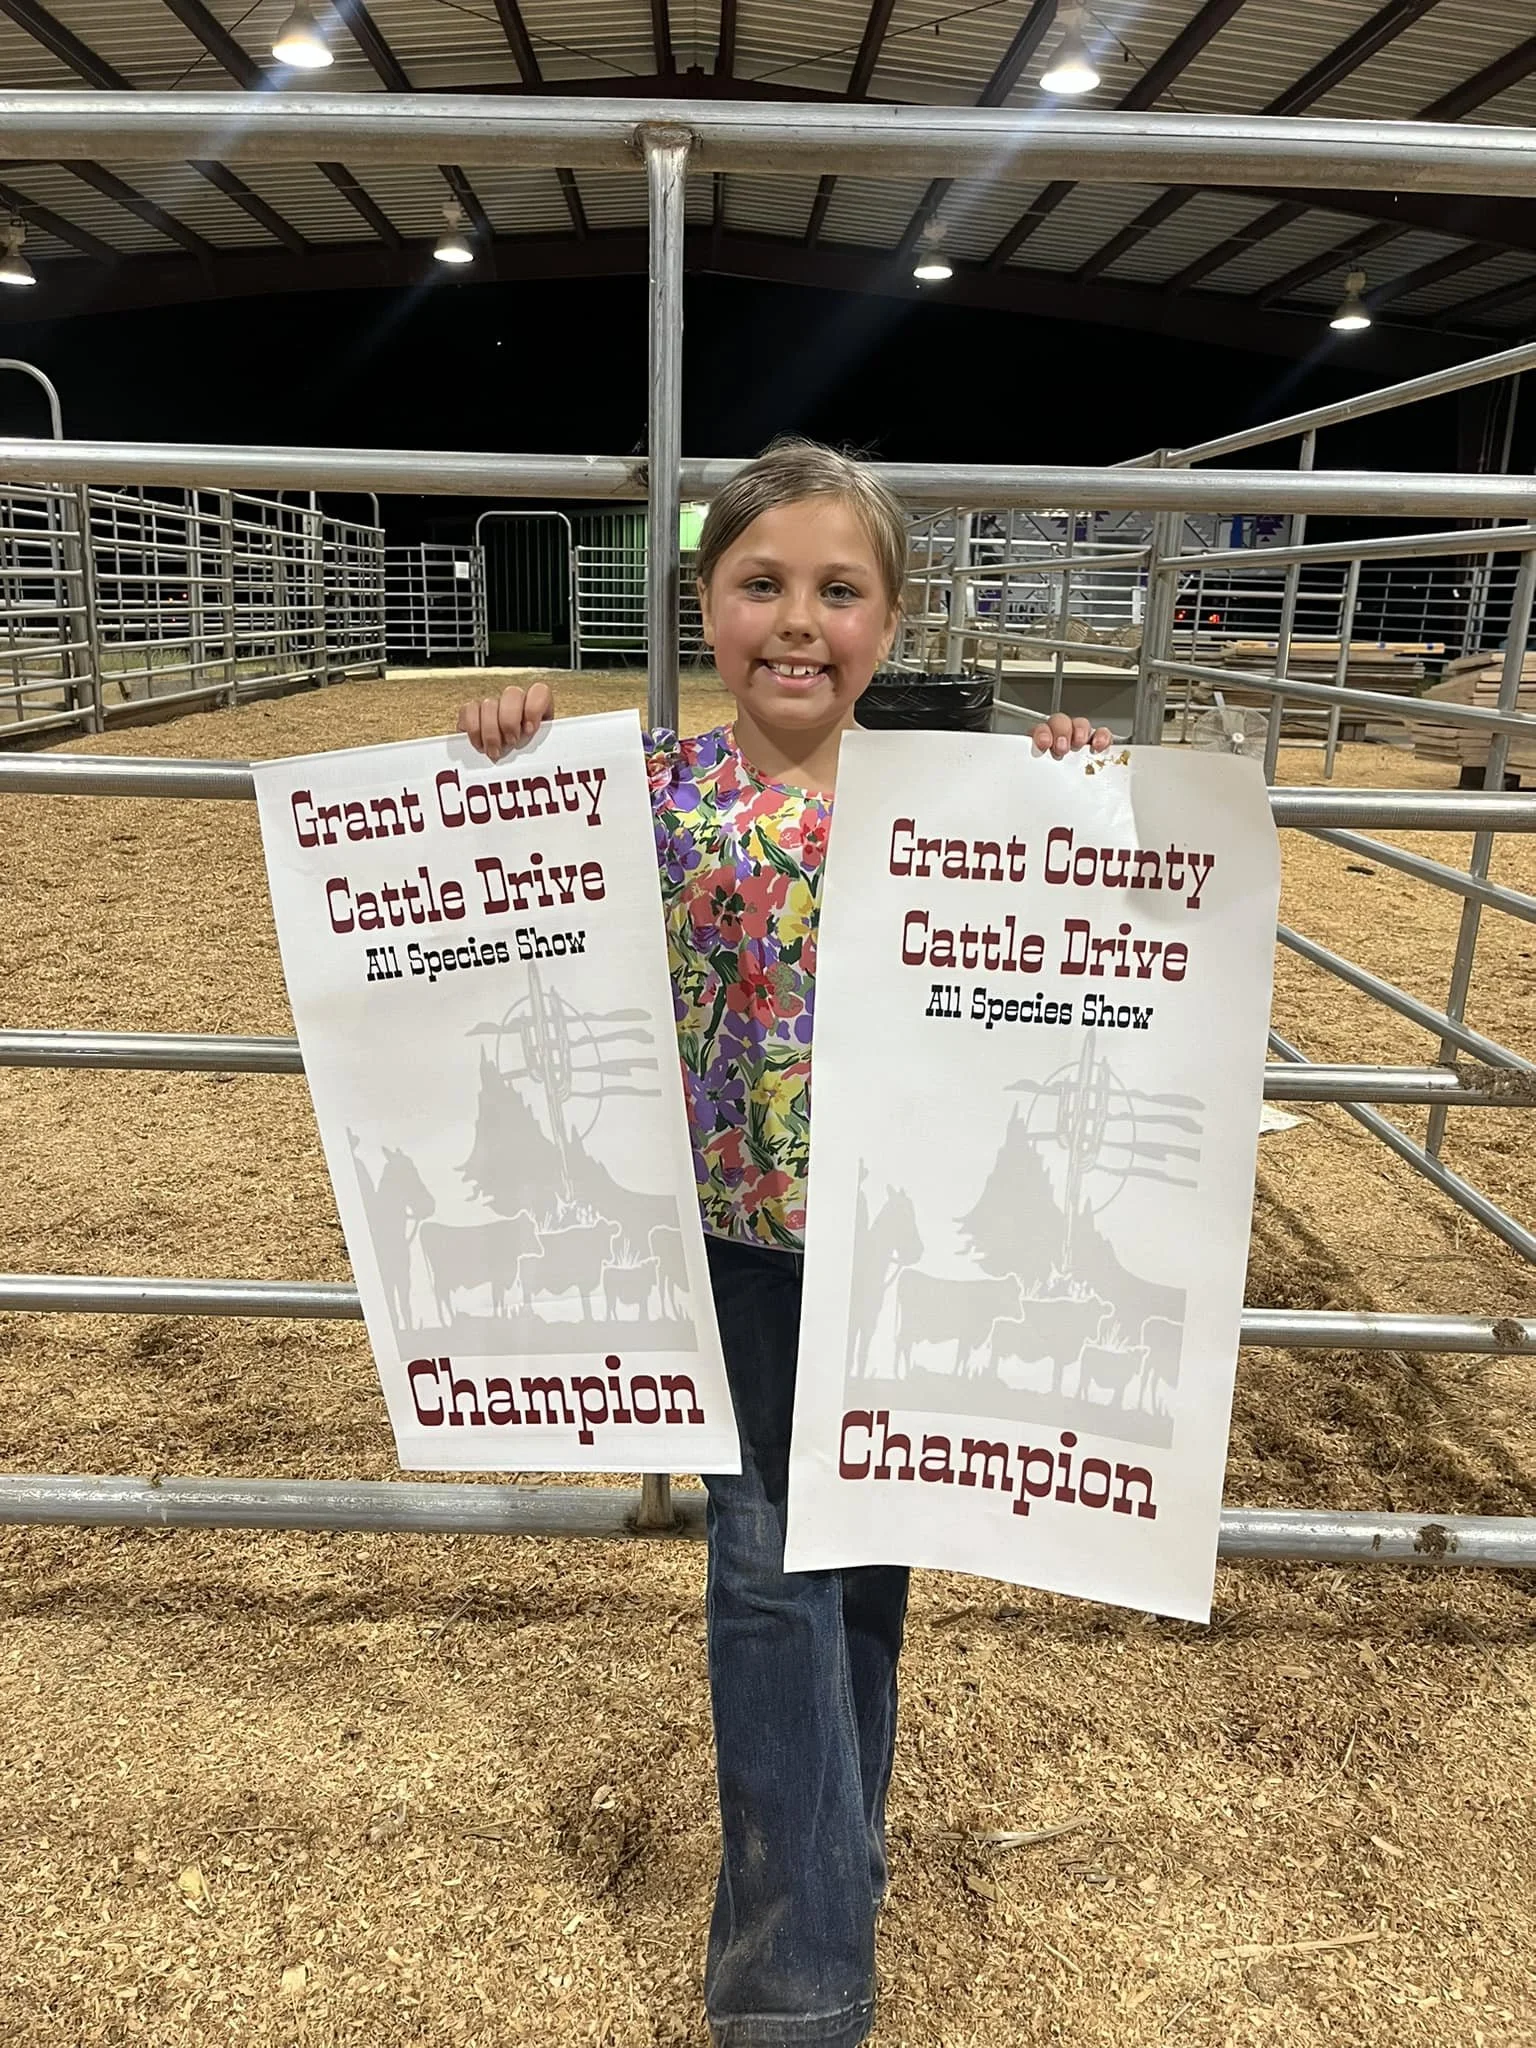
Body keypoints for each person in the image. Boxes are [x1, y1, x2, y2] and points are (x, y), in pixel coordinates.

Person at [457, 439, 1111, 2048]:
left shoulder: (958, 805)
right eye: (763, 586)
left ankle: (832, 1888)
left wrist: (1084, 783)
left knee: (863, 1576)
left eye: (840, 589)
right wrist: (507, 743)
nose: (799, 621)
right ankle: (794, 1984)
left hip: (888, 1249)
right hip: (728, 1253)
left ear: (892, 620)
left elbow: (1100, 922)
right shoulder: (647, 791)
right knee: (768, 1575)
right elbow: (498, 872)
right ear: (708, 601)